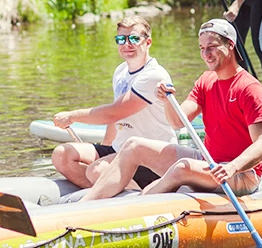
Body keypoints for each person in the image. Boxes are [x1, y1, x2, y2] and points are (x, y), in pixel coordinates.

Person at [81, 19, 262, 201]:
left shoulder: (249, 88)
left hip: (241, 173)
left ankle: (141, 202)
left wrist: (233, 167)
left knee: (182, 167)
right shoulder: (206, 81)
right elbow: (177, 121)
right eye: (202, 48)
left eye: (212, 47)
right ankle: (82, 207)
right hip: (208, 160)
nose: (206, 54)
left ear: (230, 45)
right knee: (133, 145)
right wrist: (165, 100)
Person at [51, 15, 176, 190]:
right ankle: (106, 193)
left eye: (134, 38)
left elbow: (113, 112)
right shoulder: (121, 71)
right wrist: (105, 148)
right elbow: (115, 120)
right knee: (62, 155)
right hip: (121, 150)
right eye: (121, 39)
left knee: (97, 170)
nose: (127, 44)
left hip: (153, 157)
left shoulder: (154, 75)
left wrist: (72, 116)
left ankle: (140, 199)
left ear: (148, 42)